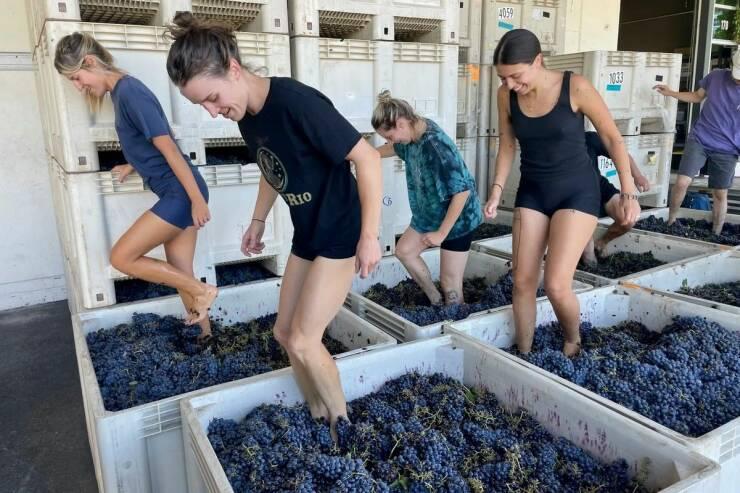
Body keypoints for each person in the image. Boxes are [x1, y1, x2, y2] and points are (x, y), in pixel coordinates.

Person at [165, 14, 382, 436]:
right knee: (284, 333)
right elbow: (272, 167)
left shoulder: (296, 103)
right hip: (308, 233)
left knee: (304, 339)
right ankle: (318, 418)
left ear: (233, 68)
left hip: (340, 232)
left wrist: (370, 236)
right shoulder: (247, 117)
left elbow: (368, 158)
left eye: (212, 98)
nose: (212, 112)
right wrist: (258, 220)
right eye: (202, 105)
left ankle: (344, 432)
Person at [484, 29, 640, 356]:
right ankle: (525, 354)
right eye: (503, 77)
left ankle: (573, 341)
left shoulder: (575, 86)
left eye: (516, 76)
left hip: (577, 192)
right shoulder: (505, 95)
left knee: (556, 285)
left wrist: (628, 190)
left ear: (538, 61)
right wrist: (496, 190)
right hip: (533, 191)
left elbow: (611, 137)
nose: (509, 84)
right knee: (522, 281)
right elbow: (507, 144)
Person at [54, 32, 217, 336]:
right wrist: (133, 163)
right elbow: (148, 141)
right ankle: (206, 338)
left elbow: (170, 148)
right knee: (181, 273)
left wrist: (196, 200)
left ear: (90, 62)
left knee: (122, 257)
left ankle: (202, 290)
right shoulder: (121, 93)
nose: (78, 86)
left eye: (76, 78)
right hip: (179, 191)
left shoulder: (130, 92)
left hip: (181, 193)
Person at [372, 92, 483, 305]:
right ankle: (435, 300)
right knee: (404, 251)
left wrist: (441, 233)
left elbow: (462, 192)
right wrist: (365, 155)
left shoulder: (436, 146)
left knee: (450, 283)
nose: (390, 141)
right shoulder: (412, 133)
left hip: (458, 219)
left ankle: (456, 315)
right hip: (430, 214)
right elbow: (393, 147)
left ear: (401, 123)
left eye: (389, 136)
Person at [654, 49, 739, 234]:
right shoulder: (716, 76)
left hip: (728, 147)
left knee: (720, 193)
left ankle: (716, 233)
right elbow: (697, 96)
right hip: (701, 138)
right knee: (682, 182)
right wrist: (672, 93)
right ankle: (670, 222)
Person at [581, 131, 651, 265]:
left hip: (600, 189)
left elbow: (621, 154)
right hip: (575, 199)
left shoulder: (589, 138)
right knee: (588, 258)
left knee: (628, 218)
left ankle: (602, 242)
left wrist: (637, 176)